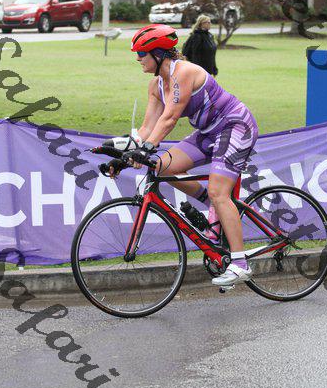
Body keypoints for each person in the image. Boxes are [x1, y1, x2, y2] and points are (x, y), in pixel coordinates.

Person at [111, 24, 258, 287]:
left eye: (141, 53)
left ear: (158, 54)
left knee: (219, 192)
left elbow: (169, 119)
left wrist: (146, 147)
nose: (137, 59)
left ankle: (240, 264)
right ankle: (213, 205)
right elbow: (146, 129)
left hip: (235, 126)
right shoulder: (155, 85)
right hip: (207, 132)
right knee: (161, 167)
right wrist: (123, 157)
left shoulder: (184, 72)